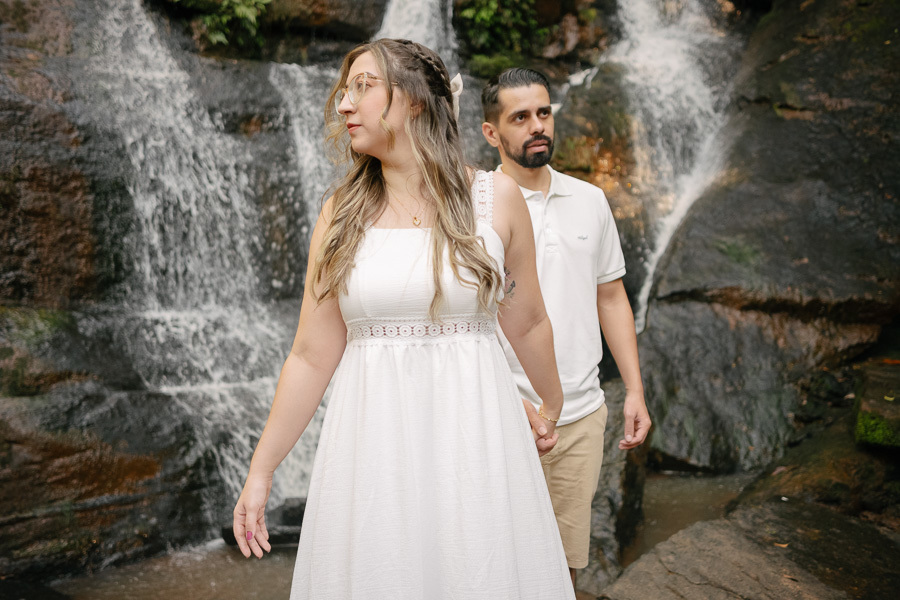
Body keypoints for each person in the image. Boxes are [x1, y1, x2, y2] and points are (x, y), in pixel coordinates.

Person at [232, 40, 576, 599]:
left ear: (415, 100)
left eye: (364, 86)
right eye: (345, 90)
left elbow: (530, 321)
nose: (345, 103)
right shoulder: (339, 215)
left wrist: (550, 404)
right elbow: (311, 355)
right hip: (373, 447)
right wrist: (261, 470)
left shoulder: (496, 199)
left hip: (477, 440)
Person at [481, 68, 652, 587]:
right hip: (499, 414)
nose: (537, 126)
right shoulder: (475, 206)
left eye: (544, 113)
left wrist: (635, 391)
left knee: (567, 568)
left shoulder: (591, 200)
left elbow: (611, 297)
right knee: (495, 568)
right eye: (520, 117)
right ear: (492, 133)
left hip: (580, 417)